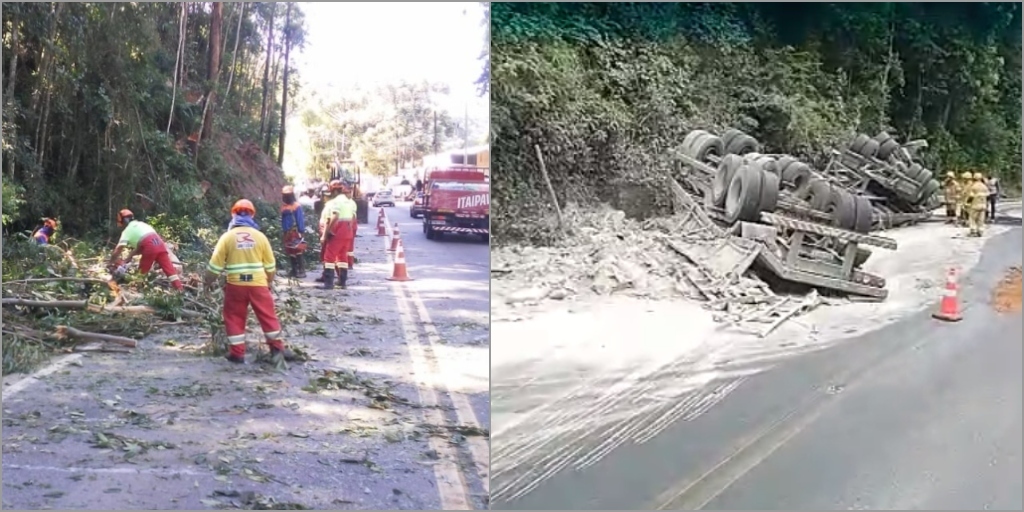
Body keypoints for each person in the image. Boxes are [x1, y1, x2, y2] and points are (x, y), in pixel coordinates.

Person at [205, 199, 295, 364]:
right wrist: (268, 282)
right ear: (252, 215)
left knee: (233, 316)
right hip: (258, 285)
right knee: (268, 316)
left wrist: (207, 284)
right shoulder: (260, 237)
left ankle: (237, 354)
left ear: (234, 214)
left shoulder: (227, 237)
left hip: (235, 286)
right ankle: (277, 349)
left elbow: (214, 268)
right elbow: (270, 266)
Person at [108, 209, 183, 291]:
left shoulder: (127, 231)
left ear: (124, 221)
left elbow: (119, 249)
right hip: (159, 244)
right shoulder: (142, 224)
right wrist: (127, 259)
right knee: (170, 271)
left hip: (149, 246)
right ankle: (179, 289)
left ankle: (137, 291)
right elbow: (140, 248)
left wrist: (110, 262)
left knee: (141, 273)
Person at [320, 180, 356, 290]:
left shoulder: (336, 202)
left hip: (338, 231)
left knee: (329, 257)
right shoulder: (350, 202)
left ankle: (328, 283)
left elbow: (334, 216)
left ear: (333, 190)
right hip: (348, 232)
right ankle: (342, 282)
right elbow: (353, 218)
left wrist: (325, 234)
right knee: (342, 256)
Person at [280, 186, 307, 278]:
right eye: (285, 195)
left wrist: (301, 230)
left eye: (288, 195)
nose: (286, 197)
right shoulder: (284, 207)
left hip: (295, 231)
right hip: (287, 232)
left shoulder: (296, 206)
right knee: (290, 250)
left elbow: (300, 219)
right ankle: (294, 270)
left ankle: (301, 270)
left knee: (298, 249)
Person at [966, 172, 989, 237]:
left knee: (972, 218)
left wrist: (968, 202)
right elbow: (988, 195)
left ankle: (973, 231)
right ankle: (980, 231)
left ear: (974, 178)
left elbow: (971, 196)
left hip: (975, 205)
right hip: (983, 205)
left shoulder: (973, 186)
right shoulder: (984, 186)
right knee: (981, 219)